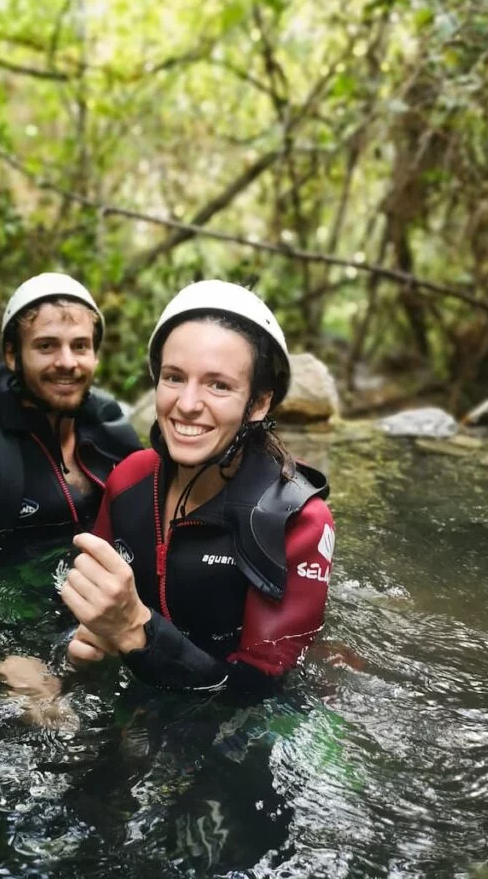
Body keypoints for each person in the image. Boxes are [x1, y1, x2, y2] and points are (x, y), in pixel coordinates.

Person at [55, 280, 336, 694]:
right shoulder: (130, 478)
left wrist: (137, 631)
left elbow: (261, 690)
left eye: (218, 385)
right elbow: (77, 605)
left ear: (258, 404)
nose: (186, 404)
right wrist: (65, 662)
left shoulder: (297, 521)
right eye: (173, 378)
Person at [0, 272, 141, 575]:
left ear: (95, 356)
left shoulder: (113, 437)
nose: (67, 362)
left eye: (80, 346)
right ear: (13, 355)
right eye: (46, 346)